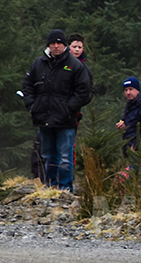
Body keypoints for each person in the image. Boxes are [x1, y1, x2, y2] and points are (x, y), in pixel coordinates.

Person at [22, 29, 93, 192]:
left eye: (59, 43)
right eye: (52, 43)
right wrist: (32, 105)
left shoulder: (75, 65)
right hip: (44, 118)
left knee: (65, 157)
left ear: (64, 45)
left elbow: (84, 90)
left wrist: (69, 108)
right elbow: (27, 85)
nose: (55, 46)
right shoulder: (38, 64)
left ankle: (65, 188)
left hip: (66, 120)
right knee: (47, 155)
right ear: (48, 45)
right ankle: (51, 187)